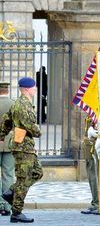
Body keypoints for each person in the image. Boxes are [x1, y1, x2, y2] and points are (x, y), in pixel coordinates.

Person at [0, 77, 43, 223]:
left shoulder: (17, 103)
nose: (35, 89)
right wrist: (38, 132)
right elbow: (31, 126)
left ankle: (11, 192)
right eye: (34, 87)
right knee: (23, 179)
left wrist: (2, 134)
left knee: (37, 172)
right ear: (26, 89)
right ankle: (16, 212)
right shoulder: (23, 105)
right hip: (23, 147)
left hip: (26, 147)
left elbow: (6, 120)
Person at [0, 82, 14, 216]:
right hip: (9, 143)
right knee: (8, 174)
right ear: (7, 90)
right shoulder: (13, 104)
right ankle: (7, 205)